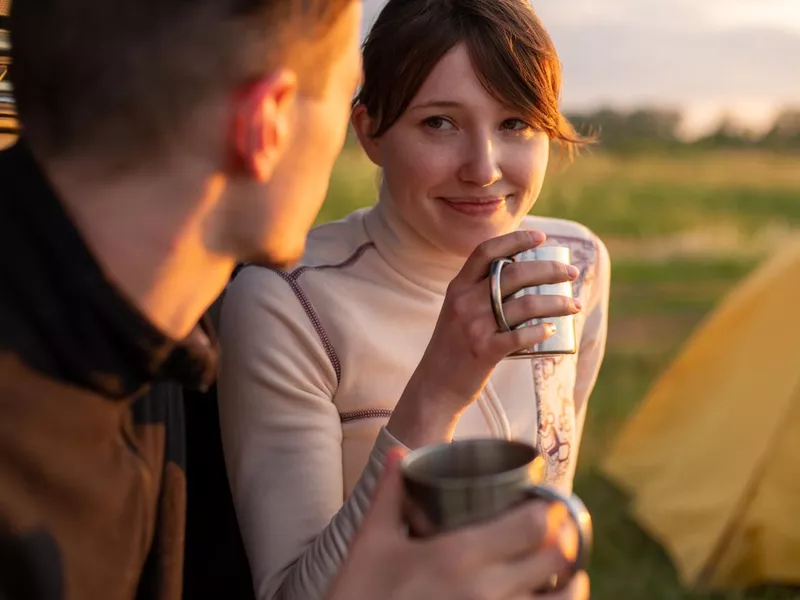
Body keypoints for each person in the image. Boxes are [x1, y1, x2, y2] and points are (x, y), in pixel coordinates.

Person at [0, 0, 589, 599]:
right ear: (269, 122)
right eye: (341, 98)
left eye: (515, 122)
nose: (483, 168)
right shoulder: (266, 306)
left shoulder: (148, 344)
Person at [218, 0, 611, 599]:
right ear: (369, 131)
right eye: (439, 123)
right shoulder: (289, 303)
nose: (483, 168)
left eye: (515, 124)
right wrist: (438, 390)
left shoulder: (574, 264)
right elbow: (291, 593)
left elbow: (551, 499)